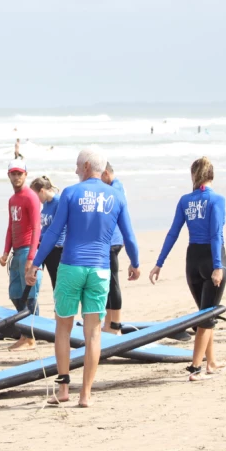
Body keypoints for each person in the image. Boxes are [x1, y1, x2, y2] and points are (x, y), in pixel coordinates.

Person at [27, 149, 140, 407]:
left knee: (63, 329)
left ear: (87, 166)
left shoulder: (70, 193)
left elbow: (54, 232)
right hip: (100, 270)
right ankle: (86, 394)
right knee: (93, 334)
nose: (76, 170)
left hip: (71, 267)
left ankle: (64, 388)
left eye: (78, 166)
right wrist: (135, 262)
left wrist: (36, 262)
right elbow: (129, 236)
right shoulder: (116, 196)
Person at [148, 157, 226, 380]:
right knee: (207, 316)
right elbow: (215, 235)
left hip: (192, 261)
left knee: (205, 313)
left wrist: (159, 263)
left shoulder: (185, 201)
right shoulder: (217, 200)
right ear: (212, 174)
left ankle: (210, 362)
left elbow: (173, 233)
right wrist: (218, 267)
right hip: (212, 259)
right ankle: (196, 368)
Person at [0, 160, 43, 351]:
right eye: (13, 174)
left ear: (26, 175)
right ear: (8, 175)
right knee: (15, 294)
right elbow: (11, 227)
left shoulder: (30, 197)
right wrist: (5, 252)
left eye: (19, 173)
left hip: (28, 250)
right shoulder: (12, 199)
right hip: (16, 253)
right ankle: (26, 333)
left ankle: (31, 337)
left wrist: (32, 258)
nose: (16, 177)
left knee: (30, 296)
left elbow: (36, 228)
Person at [100, 162, 127, 334]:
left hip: (113, 241)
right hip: (110, 240)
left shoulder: (115, 189)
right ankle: (108, 323)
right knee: (108, 283)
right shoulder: (113, 186)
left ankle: (115, 325)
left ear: (105, 173)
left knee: (113, 281)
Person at [30, 176, 65, 289]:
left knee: (57, 282)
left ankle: (59, 306)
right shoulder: (45, 203)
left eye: (36, 195)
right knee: (32, 278)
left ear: (42, 191)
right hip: (45, 246)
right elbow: (45, 227)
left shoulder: (59, 202)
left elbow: (57, 230)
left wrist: (38, 238)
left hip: (57, 248)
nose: (35, 199)